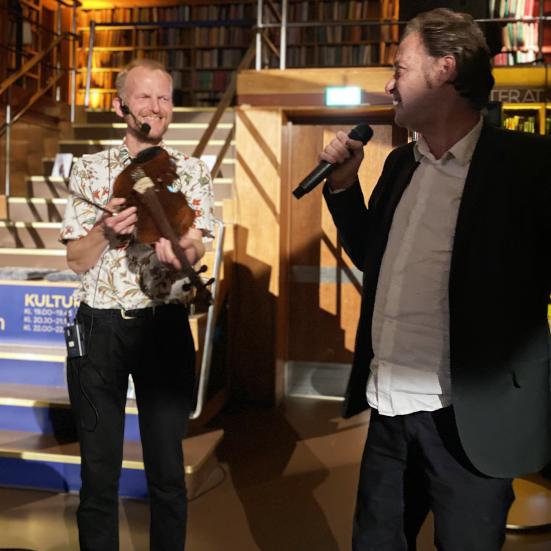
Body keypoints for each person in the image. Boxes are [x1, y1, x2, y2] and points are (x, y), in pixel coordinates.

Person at [321, 8, 551, 551]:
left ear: (445, 70)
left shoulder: (528, 167)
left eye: (399, 68)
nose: (388, 83)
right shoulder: (401, 165)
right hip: (389, 415)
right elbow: (369, 255)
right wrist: (344, 187)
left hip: (472, 422)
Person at [60, 58, 214, 551]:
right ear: (120, 105)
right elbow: (76, 261)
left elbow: (198, 242)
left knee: (168, 472)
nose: (156, 107)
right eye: (145, 97)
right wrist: (105, 232)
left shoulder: (190, 171)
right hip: (100, 331)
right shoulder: (89, 170)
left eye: (164, 97)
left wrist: (182, 250)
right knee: (98, 473)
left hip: (163, 327)